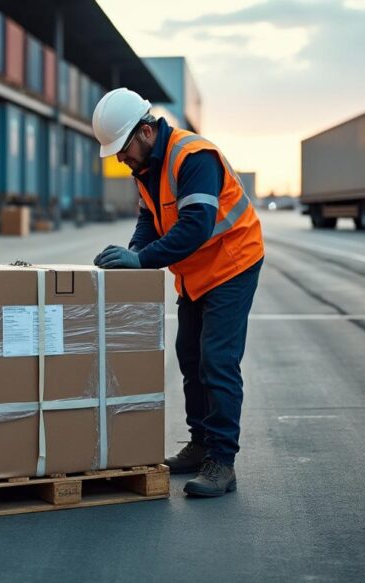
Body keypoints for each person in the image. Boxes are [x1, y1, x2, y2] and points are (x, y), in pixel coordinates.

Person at [91, 88, 264, 497]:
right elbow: (150, 219)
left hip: (232, 263)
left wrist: (143, 261)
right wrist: (134, 253)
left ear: (146, 131)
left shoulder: (193, 158)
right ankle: (201, 443)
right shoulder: (148, 167)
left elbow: (196, 226)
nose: (120, 158)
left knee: (217, 361)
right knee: (190, 356)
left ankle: (222, 462)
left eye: (122, 148)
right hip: (195, 272)